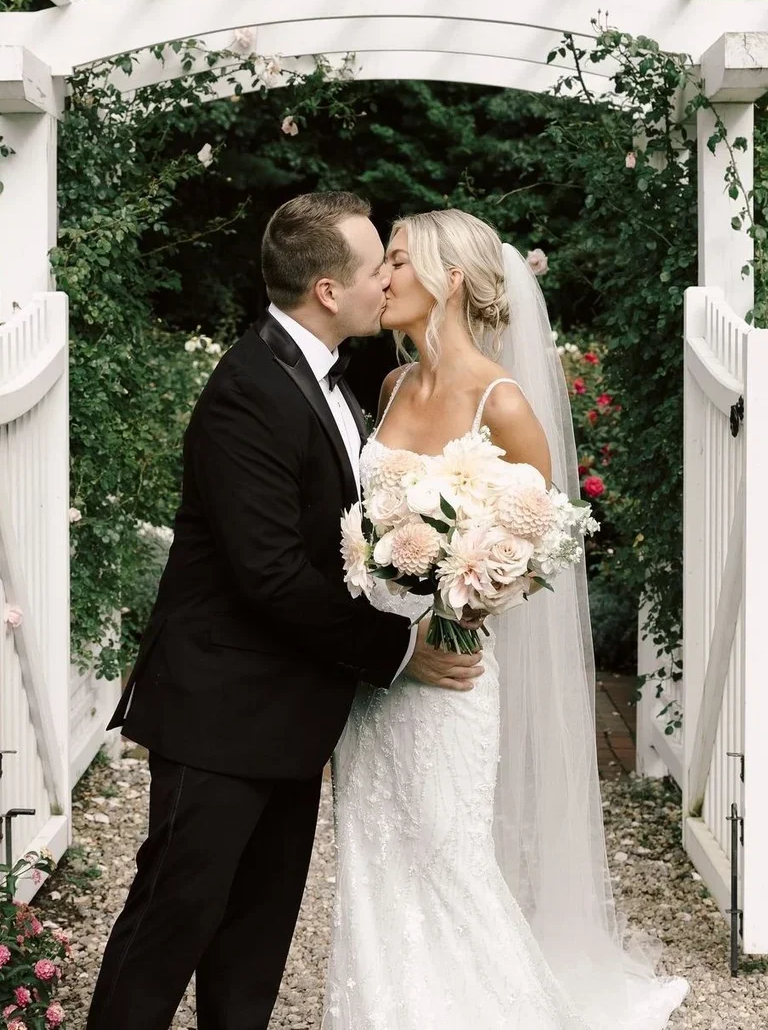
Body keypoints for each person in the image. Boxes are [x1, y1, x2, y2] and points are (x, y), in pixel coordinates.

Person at [85, 192, 484, 1030]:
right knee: (171, 925)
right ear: (330, 291)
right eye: (378, 265)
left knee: (253, 944)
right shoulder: (248, 389)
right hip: (220, 716)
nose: (389, 279)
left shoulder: (342, 378)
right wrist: (400, 648)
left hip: (294, 717)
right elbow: (268, 575)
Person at [323, 208, 689, 1030]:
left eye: (399, 262)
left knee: (450, 856)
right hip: (376, 669)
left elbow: (540, 544)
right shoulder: (387, 387)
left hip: (449, 672)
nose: (383, 277)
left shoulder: (504, 401)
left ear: (450, 278)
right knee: (372, 854)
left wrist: (463, 597)